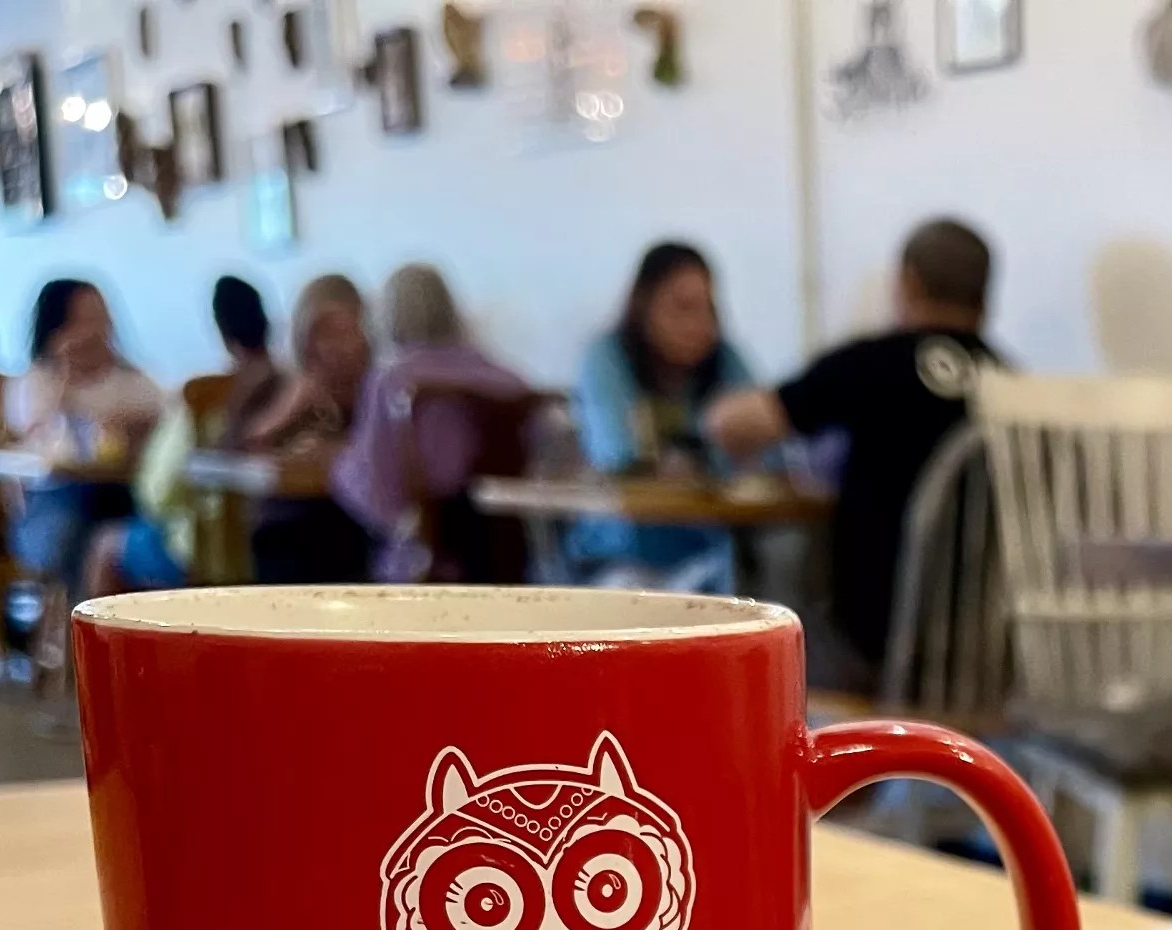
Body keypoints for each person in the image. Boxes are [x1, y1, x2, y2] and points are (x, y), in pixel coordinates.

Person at [706, 217, 1001, 687]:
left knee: (773, 583)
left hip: (873, 647)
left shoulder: (871, 364)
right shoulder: (1014, 384)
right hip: (986, 661)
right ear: (985, 296)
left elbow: (734, 426)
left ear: (908, 283)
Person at [568, 240, 756, 588]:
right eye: (683, 308)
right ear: (644, 306)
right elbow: (618, 453)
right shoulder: (607, 357)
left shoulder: (725, 360)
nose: (699, 324)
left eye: (708, 309)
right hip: (619, 556)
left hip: (709, 551)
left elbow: (764, 450)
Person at [87, 275, 288, 598]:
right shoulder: (291, 384)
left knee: (106, 544)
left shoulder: (203, 395)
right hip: (272, 542)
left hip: (205, 549)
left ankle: (105, 646)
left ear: (221, 330)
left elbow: (159, 492)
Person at [330, 263, 531, 582]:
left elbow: (374, 487)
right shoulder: (502, 379)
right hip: (505, 553)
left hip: (423, 557)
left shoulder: (392, 382)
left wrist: (337, 463)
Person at [6, 279, 166, 596]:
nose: (96, 331)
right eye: (83, 321)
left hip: (124, 493)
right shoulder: (36, 381)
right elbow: (36, 434)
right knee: (77, 532)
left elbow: (162, 417)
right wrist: (65, 377)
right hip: (53, 506)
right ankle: (81, 627)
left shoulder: (130, 378)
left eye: (101, 318)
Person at [242, 273, 376, 583]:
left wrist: (337, 451)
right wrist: (291, 406)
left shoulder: (375, 388)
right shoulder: (281, 383)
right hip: (284, 525)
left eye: (347, 332)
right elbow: (247, 448)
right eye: (325, 334)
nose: (338, 347)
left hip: (354, 523)